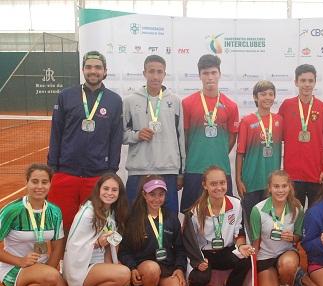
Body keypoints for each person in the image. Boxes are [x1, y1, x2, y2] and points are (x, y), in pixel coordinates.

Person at [47, 51, 124, 233]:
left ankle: (91, 262)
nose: (93, 71)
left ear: (105, 71)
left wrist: (111, 170)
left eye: (98, 67)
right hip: (66, 172)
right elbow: (56, 132)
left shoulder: (114, 100)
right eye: (88, 67)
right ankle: (61, 261)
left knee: (93, 227)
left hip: (97, 175)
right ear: (82, 70)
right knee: (62, 225)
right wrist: (53, 167)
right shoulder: (66, 95)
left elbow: (115, 138)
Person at [0, 164, 76, 286]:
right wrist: (19, 261)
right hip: (14, 267)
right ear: (27, 183)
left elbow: (57, 245)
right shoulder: (12, 210)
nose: (39, 187)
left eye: (44, 182)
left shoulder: (55, 212)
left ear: (50, 184)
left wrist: (49, 270)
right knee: (50, 276)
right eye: (34, 181)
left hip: (43, 268)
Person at [63, 173, 133, 286]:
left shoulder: (112, 212)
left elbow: (112, 244)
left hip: (100, 268)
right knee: (124, 273)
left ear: (119, 194)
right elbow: (74, 246)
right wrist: (96, 243)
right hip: (82, 268)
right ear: (98, 190)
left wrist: (113, 265)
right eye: (106, 188)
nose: (109, 193)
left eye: (114, 190)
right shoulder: (88, 212)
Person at [123, 55, 185, 214]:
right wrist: (136, 135)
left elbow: (181, 138)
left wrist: (180, 172)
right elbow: (121, 135)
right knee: (134, 218)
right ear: (144, 73)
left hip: (168, 170)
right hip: (139, 171)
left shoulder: (175, 101)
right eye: (151, 71)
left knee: (169, 219)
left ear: (165, 74)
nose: (155, 76)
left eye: (159, 72)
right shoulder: (130, 100)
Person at [183, 166, 254, 286]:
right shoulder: (195, 211)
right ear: (205, 185)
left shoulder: (236, 204)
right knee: (200, 277)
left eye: (222, 183)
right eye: (213, 184)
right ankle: (197, 285)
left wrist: (241, 246)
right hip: (204, 254)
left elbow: (239, 232)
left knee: (246, 258)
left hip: (226, 251)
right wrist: (198, 261)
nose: (219, 187)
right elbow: (189, 242)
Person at [119, 176, 187, 286]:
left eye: (161, 194)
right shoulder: (133, 219)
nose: (157, 199)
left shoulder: (171, 217)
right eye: (152, 194)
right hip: (145, 269)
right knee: (152, 268)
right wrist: (132, 268)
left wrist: (180, 268)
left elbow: (180, 248)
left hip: (166, 268)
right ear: (144, 195)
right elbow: (124, 251)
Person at [180, 54, 239, 212]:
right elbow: (184, 137)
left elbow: (232, 137)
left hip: (221, 169)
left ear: (219, 74)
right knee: (190, 213)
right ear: (199, 76)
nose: (210, 77)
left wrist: (216, 151)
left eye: (213, 72)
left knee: (222, 214)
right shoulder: (187, 103)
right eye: (205, 73)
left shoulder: (231, 105)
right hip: (194, 168)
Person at [278, 64, 323, 207]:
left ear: (315, 82)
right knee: (295, 215)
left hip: (316, 175)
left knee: (315, 214)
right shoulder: (287, 105)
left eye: (310, 81)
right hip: (293, 174)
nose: (307, 85)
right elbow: (278, 135)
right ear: (296, 82)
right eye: (303, 81)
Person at [248, 170, 304, 286]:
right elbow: (255, 242)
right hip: (265, 257)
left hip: (286, 253)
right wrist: (252, 275)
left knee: (288, 264)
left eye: (284, 186)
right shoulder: (257, 210)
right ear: (269, 188)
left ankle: (284, 284)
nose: (280, 190)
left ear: (289, 187)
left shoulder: (297, 208)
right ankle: (271, 277)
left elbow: (298, 237)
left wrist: (292, 237)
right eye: (276, 186)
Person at [236, 80, 283, 224]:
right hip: (251, 181)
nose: (267, 97)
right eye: (263, 94)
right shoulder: (247, 121)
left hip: (271, 183)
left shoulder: (279, 120)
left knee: (269, 223)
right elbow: (240, 153)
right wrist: (238, 179)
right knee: (251, 222)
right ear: (255, 97)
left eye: (271, 94)